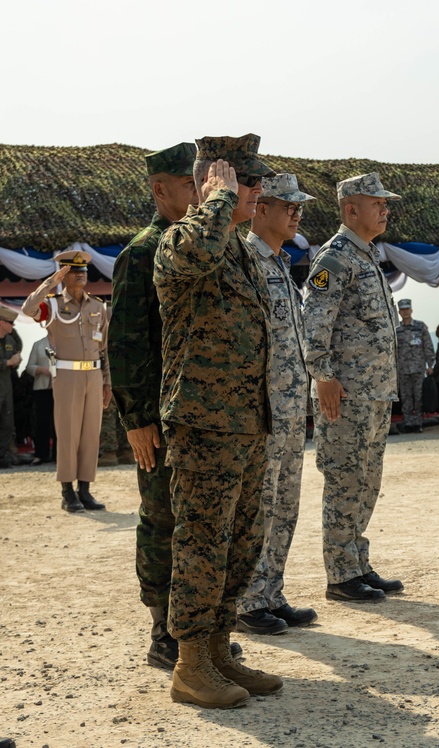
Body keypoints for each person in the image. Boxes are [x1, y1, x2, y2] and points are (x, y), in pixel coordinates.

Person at [153, 134, 282, 708]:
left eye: (255, 182)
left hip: (246, 421)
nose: (257, 191)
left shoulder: (239, 250)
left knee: (242, 541)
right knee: (202, 541)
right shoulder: (181, 241)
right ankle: (189, 663)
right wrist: (215, 201)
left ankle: (220, 649)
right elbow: (197, 250)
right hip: (203, 423)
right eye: (245, 182)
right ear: (213, 185)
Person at [108, 142, 242, 670]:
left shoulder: (200, 243)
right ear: (160, 189)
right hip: (159, 418)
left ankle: (196, 627)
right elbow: (125, 343)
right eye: (188, 186)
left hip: (198, 411)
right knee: (162, 517)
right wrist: (136, 419)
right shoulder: (141, 252)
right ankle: (163, 629)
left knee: (200, 523)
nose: (197, 194)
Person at [302, 172, 404, 603]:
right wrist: (322, 376)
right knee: (345, 478)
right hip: (344, 394)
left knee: (366, 479)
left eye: (385, 202)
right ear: (350, 210)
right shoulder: (335, 257)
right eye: (375, 202)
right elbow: (314, 320)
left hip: (375, 392)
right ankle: (341, 574)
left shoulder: (367, 256)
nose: (384, 208)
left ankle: (357, 561)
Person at [236, 173, 318, 635]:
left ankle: (269, 591)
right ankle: (247, 600)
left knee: (285, 504)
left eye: (298, 207)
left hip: (288, 408)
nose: (296, 214)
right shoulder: (246, 261)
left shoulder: (281, 263)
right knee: (260, 505)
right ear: (260, 209)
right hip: (263, 410)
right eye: (287, 206)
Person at [22, 250, 112, 510]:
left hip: (93, 376)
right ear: (63, 275)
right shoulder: (51, 305)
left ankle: (85, 489)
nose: (81, 274)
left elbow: (104, 348)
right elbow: (29, 308)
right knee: (68, 433)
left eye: (83, 271)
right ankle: (67, 492)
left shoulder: (97, 306)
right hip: (66, 376)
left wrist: (107, 382)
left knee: (90, 435)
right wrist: (49, 282)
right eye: (74, 271)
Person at [394, 299, 435, 433]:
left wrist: (430, 364)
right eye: (402, 310)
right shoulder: (396, 329)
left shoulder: (420, 326)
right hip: (402, 369)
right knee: (406, 397)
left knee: (418, 396)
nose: (405, 312)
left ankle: (418, 423)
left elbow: (427, 345)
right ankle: (408, 423)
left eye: (407, 309)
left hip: (418, 368)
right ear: (399, 312)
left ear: (411, 310)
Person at [25, 337, 56, 464]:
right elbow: (29, 367)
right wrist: (41, 370)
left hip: (61, 389)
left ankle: (59, 455)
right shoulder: (38, 344)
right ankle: (41, 454)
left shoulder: (66, 342)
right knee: (41, 423)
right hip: (42, 389)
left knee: (60, 424)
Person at [0, 306, 21, 468]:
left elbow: (17, 350)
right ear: (2, 323)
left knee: (7, 422)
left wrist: (17, 360)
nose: (13, 326)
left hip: (6, 387)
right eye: (10, 323)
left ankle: (1, 455)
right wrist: (6, 363)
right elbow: (9, 361)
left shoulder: (9, 340)